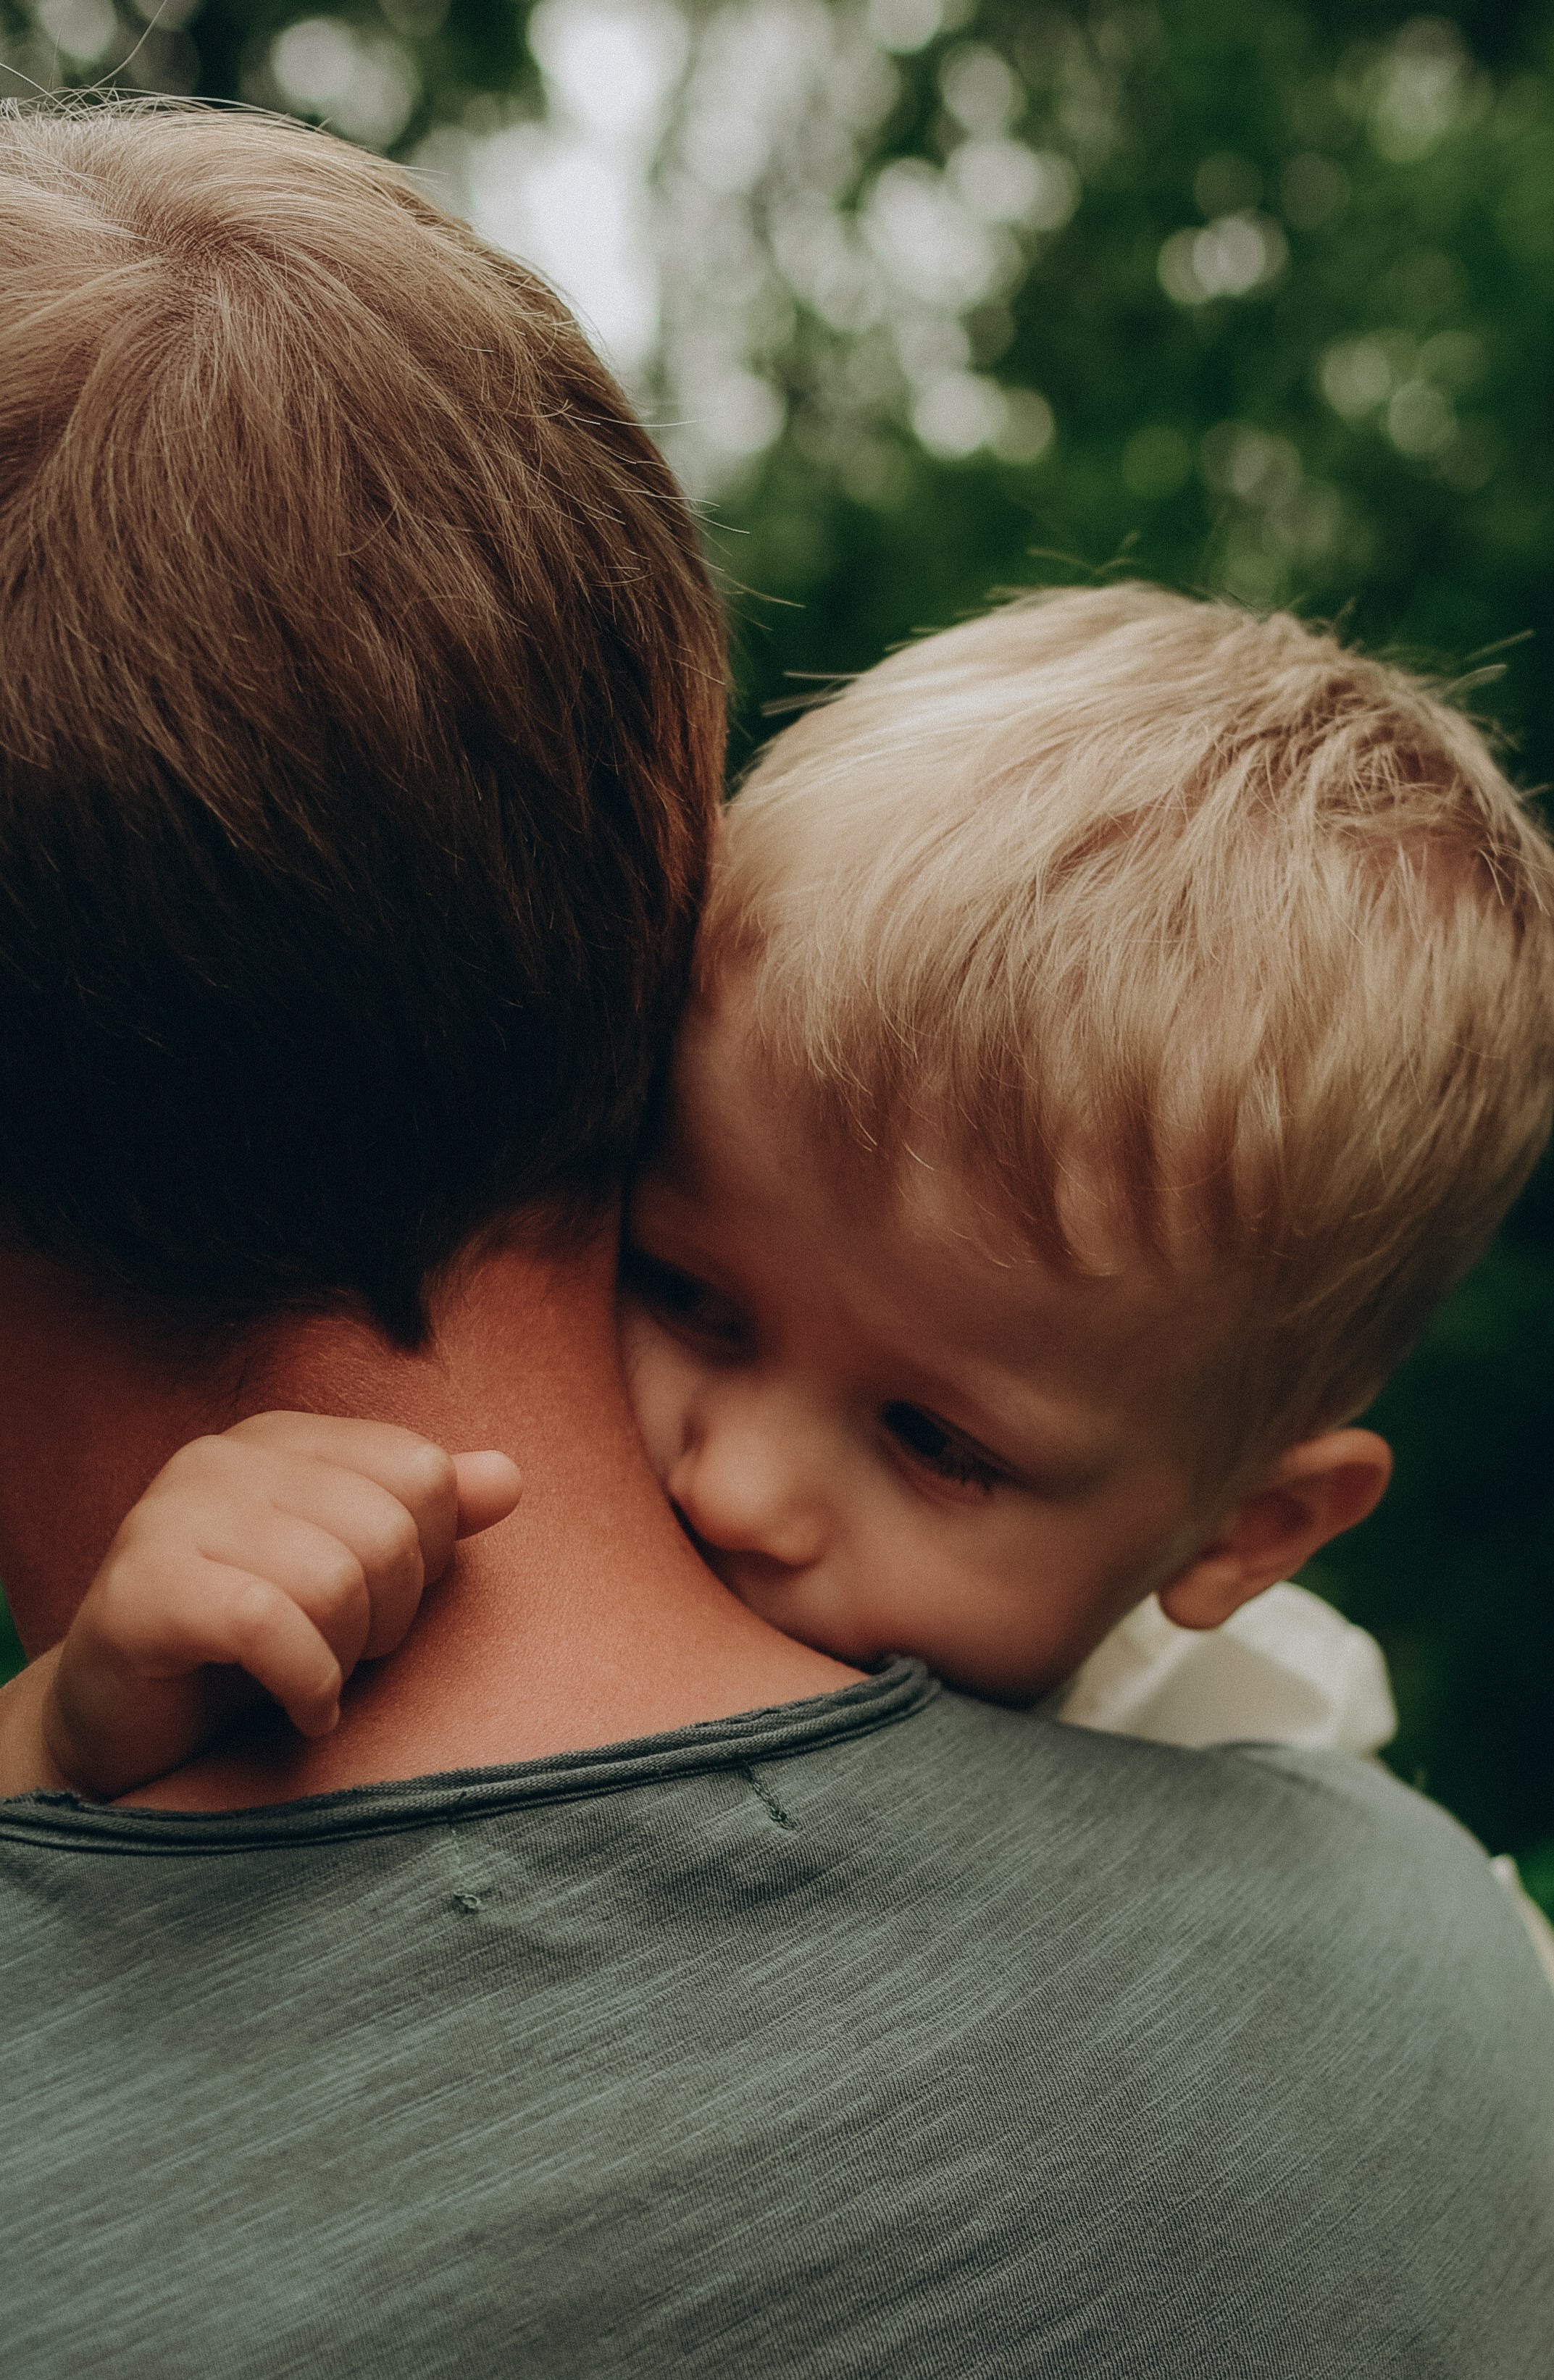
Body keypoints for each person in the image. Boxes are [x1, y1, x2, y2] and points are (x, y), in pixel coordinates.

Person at [0, 101, 1550, 2380]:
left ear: (1252, 1528)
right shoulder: (1428, 1995)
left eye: (933, 1436)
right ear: (667, 903)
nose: (731, 1476)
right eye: (692, 1292)